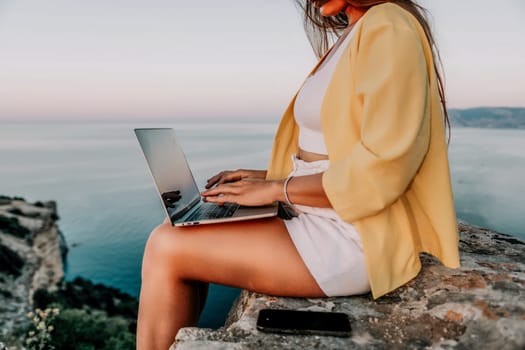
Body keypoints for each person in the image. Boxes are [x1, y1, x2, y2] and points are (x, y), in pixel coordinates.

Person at [136, 0, 460, 348]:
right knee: (182, 231)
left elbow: (384, 167)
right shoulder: (355, 32)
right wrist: (264, 178)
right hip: (317, 213)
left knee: (166, 246)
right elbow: (336, 154)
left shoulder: (389, 25)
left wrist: (277, 189)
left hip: (352, 234)